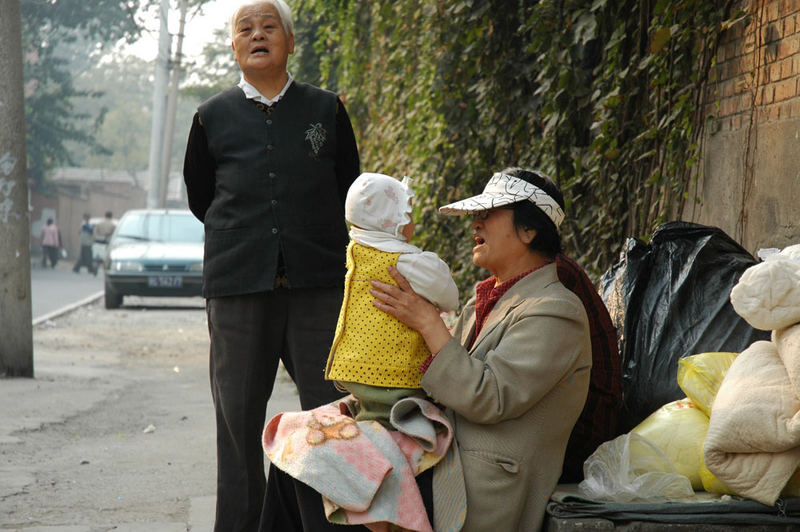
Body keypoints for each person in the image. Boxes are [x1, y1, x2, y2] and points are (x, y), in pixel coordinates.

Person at [182, 1, 360, 530]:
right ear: (234, 47)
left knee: (329, 417)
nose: (257, 35)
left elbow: (347, 188)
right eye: (246, 29)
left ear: (289, 40)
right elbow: (201, 196)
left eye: (268, 27)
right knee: (236, 422)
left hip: (319, 285)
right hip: (238, 287)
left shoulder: (325, 110)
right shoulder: (210, 116)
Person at [370, 168, 592, 531]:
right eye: (475, 216)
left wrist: (428, 323)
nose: (475, 225)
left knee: (325, 478)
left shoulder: (556, 310)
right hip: (439, 456)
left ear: (528, 230)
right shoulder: (487, 300)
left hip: (476, 484)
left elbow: (488, 397)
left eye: (487, 215)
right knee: (305, 454)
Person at [324, 172, 459, 427]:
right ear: (394, 221)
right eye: (408, 213)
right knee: (400, 407)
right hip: (393, 375)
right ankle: (393, 422)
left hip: (352, 367)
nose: (412, 219)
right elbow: (449, 297)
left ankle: (367, 415)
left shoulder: (356, 250)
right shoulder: (405, 263)